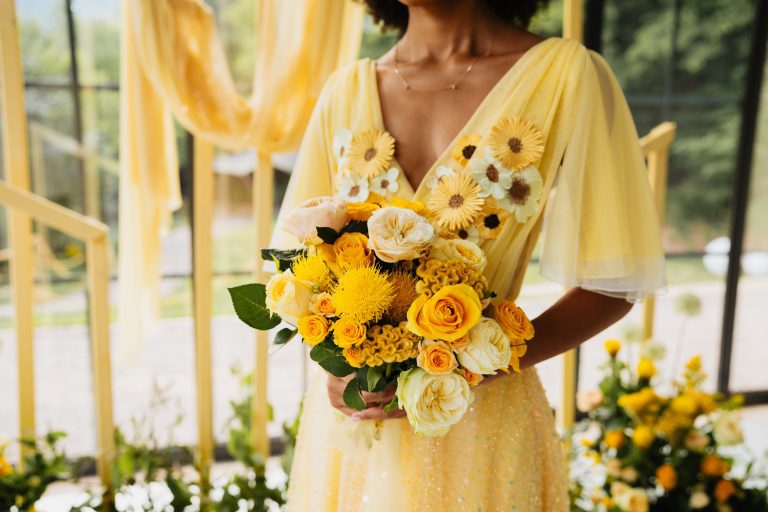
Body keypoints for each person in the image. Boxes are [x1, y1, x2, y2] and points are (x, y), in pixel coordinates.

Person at [271, 1, 666, 510]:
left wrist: (470, 367)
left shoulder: (567, 76)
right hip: (357, 426)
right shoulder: (344, 92)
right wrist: (338, 364)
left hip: (484, 422)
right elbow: (297, 273)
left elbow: (613, 282)